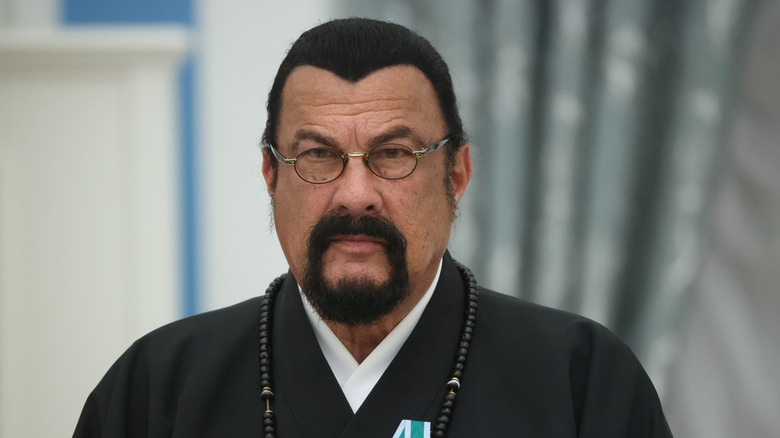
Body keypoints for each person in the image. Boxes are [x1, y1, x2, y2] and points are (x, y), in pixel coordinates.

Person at [74, 18, 672, 438]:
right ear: (270, 175)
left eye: (393, 154)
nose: (355, 194)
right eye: (317, 154)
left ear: (457, 174)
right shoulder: (158, 389)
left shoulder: (582, 381)